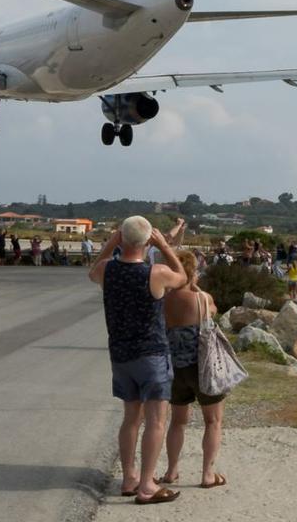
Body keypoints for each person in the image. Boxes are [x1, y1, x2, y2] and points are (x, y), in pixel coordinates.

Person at [88, 216, 186, 505]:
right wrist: (165, 246)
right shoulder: (155, 273)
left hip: (120, 355)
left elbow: (92, 271)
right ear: (147, 241)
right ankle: (147, 484)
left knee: (131, 418)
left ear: (121, 238)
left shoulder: (107, 271)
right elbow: (183, 277)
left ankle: (130, 477)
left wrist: (110, 244)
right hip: (152, 354)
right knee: (156, 420)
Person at [159, 250, 227, 490]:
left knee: (177, 422)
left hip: (175, 368)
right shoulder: (201, 299)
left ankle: (171, 471)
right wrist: (196, 288)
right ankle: (208, 474)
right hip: (203, 367)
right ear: (193, 272)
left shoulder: (163, 300)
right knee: (213, 421)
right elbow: (214, 310)